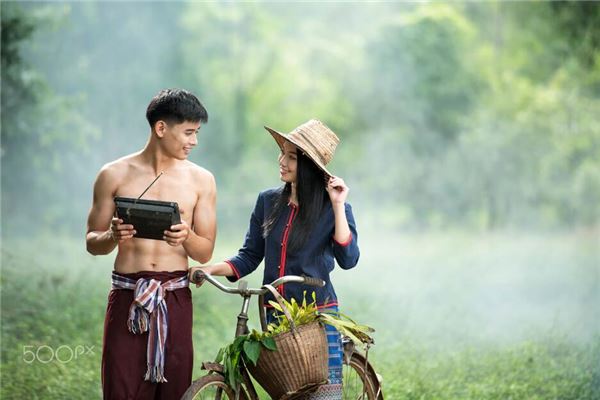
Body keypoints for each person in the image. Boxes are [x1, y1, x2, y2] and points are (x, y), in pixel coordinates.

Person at [189, 119, 359, 399]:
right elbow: (249, 255)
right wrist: (209, 270)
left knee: (321, 395)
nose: (282, 161)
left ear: (309, 166)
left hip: (317, 315)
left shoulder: (333, 208)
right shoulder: (267, 201)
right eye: (282, 153)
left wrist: (338, 205)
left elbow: (349, 259)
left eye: (291, 157)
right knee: (288, 393)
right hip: (277, 315)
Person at [86, 88, 217, 400]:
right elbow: (92, 242)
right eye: (188, 132)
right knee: (121, 388)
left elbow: (205, 251)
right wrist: (112, 236)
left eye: (197, 133)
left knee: (173, 389)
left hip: (174, 296)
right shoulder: (113, 174)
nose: (194, 142)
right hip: (128, 295)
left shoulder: (202, 180)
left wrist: (187, 236)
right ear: (161, 128)